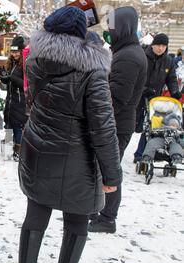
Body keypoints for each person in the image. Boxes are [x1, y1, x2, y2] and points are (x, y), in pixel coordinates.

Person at [16, 6, 122, 263]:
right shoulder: (93, 69)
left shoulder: (36, 59)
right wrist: (112, 174)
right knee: (77, 220)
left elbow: (33, 104)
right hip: (79, 160)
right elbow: (103, 126)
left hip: (39, 151)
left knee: (35, 215)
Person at [88, 6, 147, 234]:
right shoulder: (125, 51)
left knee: (109, 171)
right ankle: (96, 211)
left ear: (123, 26)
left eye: (111, 26)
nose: (108, 30)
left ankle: (107, 218)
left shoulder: (129, 57)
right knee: (103, 169)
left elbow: (116, 97)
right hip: (116, 122)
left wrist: (95, 111)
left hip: (117, 124)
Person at [132, 33, 181, 164]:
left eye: (164, 46)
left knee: (151, 125)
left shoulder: (168, 61)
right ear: (153, 45)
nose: (161, 48)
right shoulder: (143, 57)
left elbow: (171, 80)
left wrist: (175, 91)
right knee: (133, 125)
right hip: (138, 96)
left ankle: (140, 153)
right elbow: (135, 78)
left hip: (154, 99)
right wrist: (144, 89)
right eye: (158, 45)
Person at [0, 36, 28, 161]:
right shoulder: (12, 63)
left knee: (18, 126)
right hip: (10, 100)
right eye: (12, 51)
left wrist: (12, 78)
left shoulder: (25, 64)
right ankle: (9, 150)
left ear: (21, 51)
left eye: (16, 52)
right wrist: (3, 77)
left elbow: (26, 84)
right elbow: (8, 82)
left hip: (21, 101)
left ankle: (18, 152)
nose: (14, 54)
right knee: (9, 124)